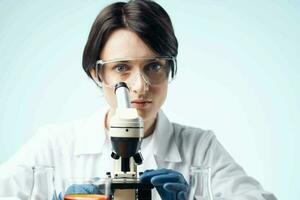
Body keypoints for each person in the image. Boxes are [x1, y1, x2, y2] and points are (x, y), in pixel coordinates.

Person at [0, 0, 277, 199]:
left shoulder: (200, 148)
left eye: (153, 66)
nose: (140, 86)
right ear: (97, 73)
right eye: (122, 67)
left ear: (169, 68)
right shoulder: (54, 145)